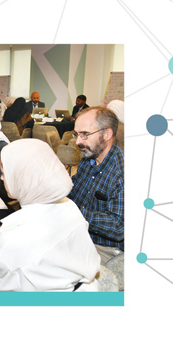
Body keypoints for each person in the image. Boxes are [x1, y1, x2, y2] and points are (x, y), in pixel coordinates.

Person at [0, 139, 101, 291]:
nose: (1, 178)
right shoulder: (68, 206)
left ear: (23, 177)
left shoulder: (18, 235)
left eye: (4, 173)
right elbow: (40, 242)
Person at [68, 106, 124, 264]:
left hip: (105, 248)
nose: (78, 141)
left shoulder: (122, 174)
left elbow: (119, 227)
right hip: (79, 233)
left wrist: (76, 212)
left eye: (85, 134)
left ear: (107, 134)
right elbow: (74, 191)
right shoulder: (89, 158)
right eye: (76, 134)